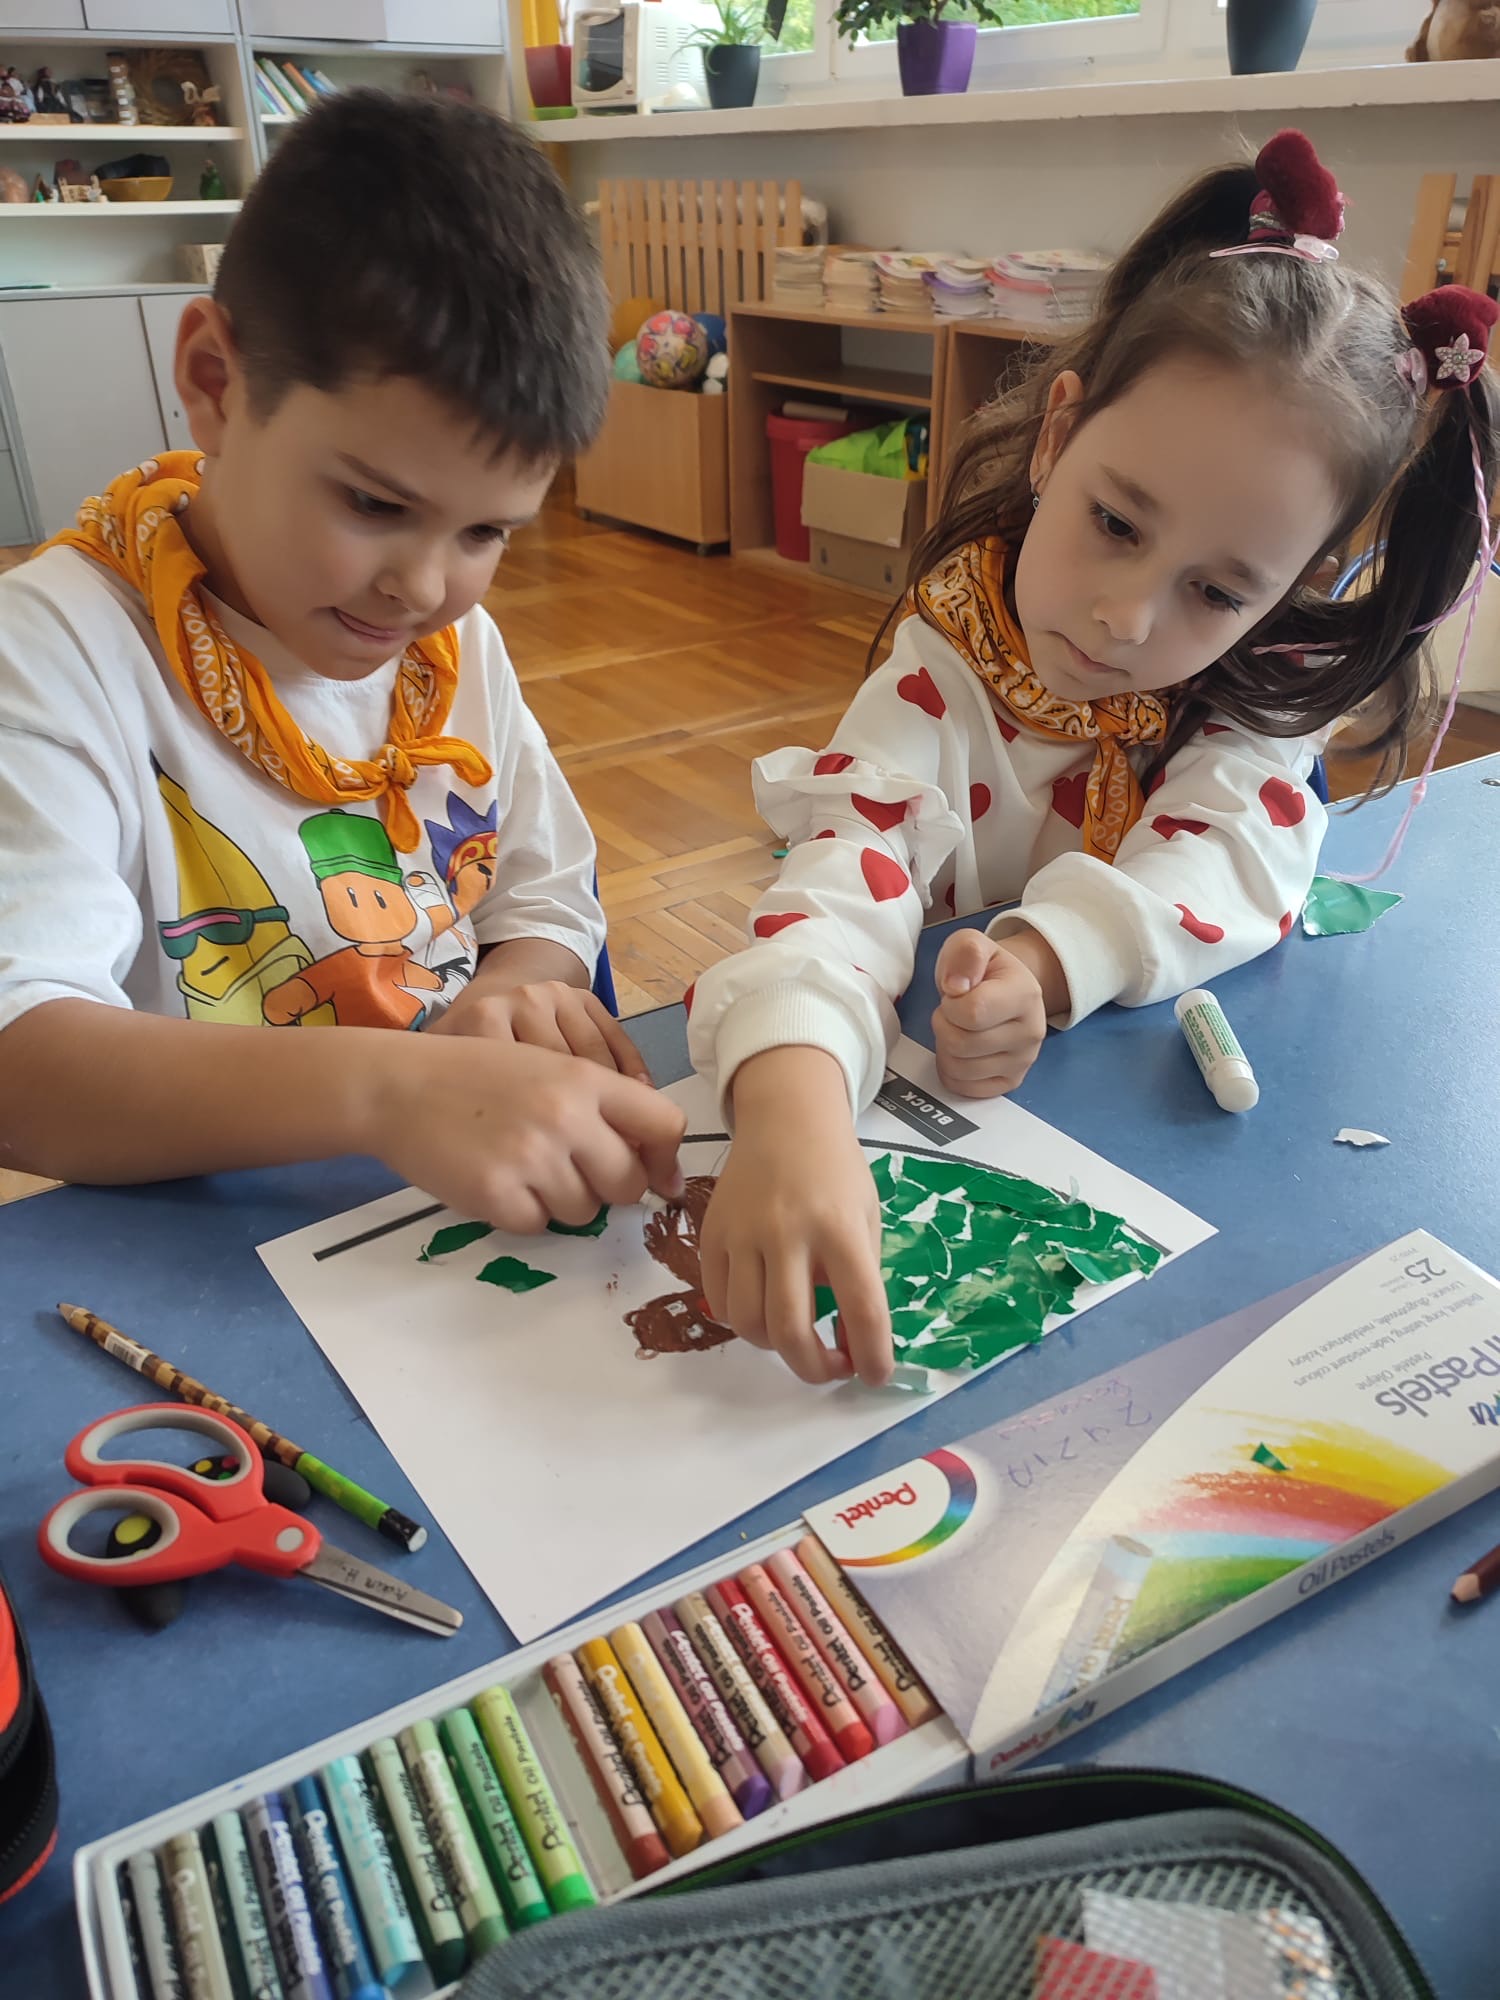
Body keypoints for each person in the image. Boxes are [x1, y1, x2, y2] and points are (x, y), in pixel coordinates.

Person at [688, 130, 1498, 1389]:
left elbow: (1229, 854)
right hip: (930, 1091)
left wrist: (1048, 958)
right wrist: (791, 1090)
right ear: (1056, 436)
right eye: (1116, 522)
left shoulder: (1251, 689)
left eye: (1218, 590)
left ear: (1299, 583)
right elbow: (851, 854)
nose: (1127, 619)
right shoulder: (950, 656)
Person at [0, 90, 685, 1229]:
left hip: (434, 1205)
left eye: (486, 531)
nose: (423, 587)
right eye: (374, 503)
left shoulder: (447, 644)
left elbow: (546, 891)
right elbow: (20, 1064)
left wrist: (513, 994)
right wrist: (395, 1088)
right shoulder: (51, 656)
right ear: (215, 382)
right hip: (216, 1234)